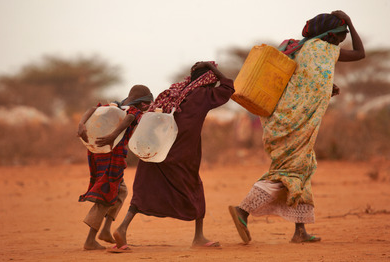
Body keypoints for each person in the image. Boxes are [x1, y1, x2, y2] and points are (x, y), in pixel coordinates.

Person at [229, 10, 365, 244]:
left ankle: (300, 231)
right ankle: (243, 210)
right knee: (289, 173)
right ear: (332, 34)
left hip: (280, 121)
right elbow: (360, 53)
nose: (341, 39)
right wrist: (351, 22)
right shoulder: (326, 50)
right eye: (341, 34)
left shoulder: (300, 48)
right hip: (294, 125)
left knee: (303, 168)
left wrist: (327, 88)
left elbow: (303, 83)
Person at [108, 61, 235, 253]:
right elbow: (227, 86)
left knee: (144, 189)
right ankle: (198, 237)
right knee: (194, 187)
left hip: (158, 148)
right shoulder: (204, 94)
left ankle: (122, 228)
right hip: (183, 151)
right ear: (208, 79)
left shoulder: (176, 90)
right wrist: (214, 68)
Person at [77, 85, 153, 250]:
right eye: (147, 104)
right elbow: (130, 119)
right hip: (112, 156)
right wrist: (113, 135)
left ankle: (105, 230)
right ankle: (90, 240)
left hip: (98, 154)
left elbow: (92, 108)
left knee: (121, 191)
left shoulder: (116, 106)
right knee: (106, 194)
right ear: (143, 103)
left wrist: (81, 124)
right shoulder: (134, 111)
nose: (147, 107)